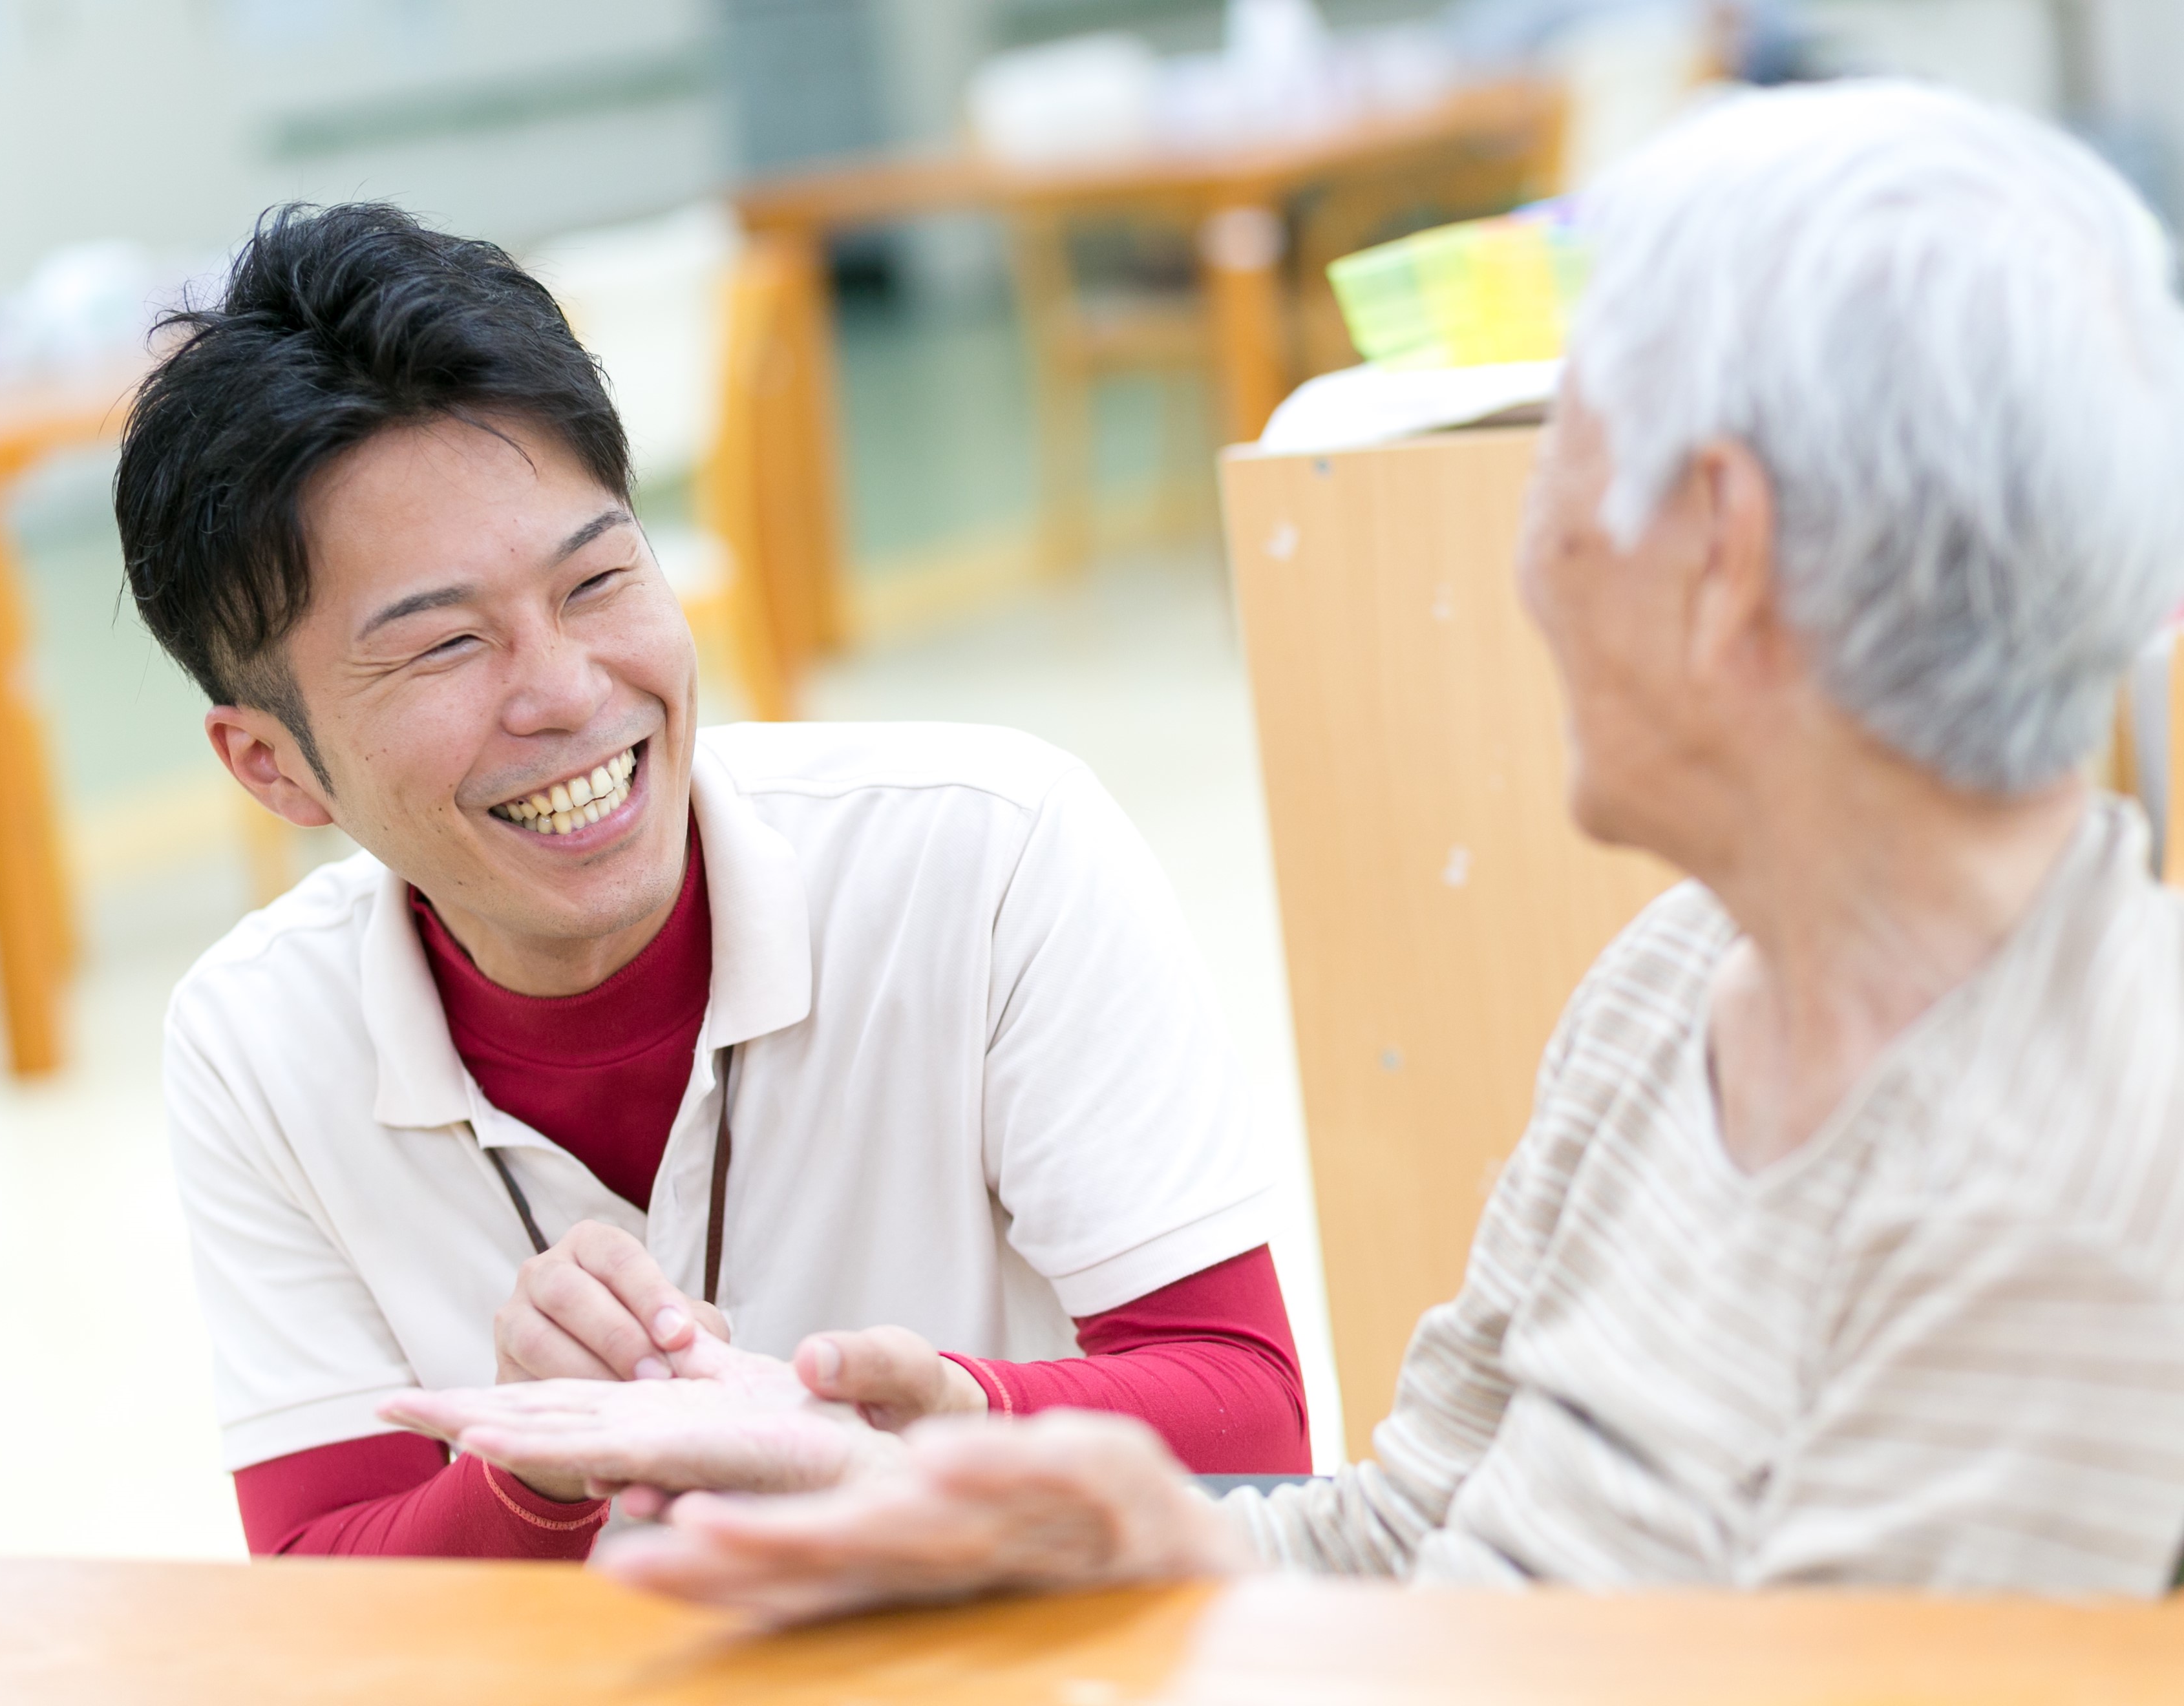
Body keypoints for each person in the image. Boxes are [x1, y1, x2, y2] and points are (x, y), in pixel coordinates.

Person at [393, 81, 2184, 1614]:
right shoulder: (1682, 985)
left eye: (1565, 450)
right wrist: (1122, 1533)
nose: (1529, 553)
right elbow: (1417, 1540)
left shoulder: (2089, 1171)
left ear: (1719, 550)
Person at [120, 204, 1310, 1561]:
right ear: (274, 768)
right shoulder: (255, 1038)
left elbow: (1256, 1427)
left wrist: (924, 1425)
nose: (567, 692)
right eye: (445, 647)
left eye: (599, 581)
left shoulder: (986, 852)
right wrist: (539, 1474)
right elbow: (317, 1595)